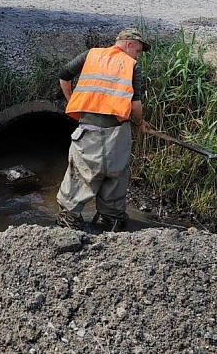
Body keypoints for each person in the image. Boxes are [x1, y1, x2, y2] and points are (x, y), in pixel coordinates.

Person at [55, 28, 151, 232]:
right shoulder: (131, 65)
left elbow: (64, 75)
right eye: (138, 50)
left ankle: (69, 218)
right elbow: (135, 105)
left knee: (81, 174)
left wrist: (72, 101)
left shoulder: (91, 55)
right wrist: (141, 122)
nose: (138, 55)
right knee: (115, 176)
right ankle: (112, 219)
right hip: (116, 134)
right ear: (129, 44)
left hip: (87, 132)